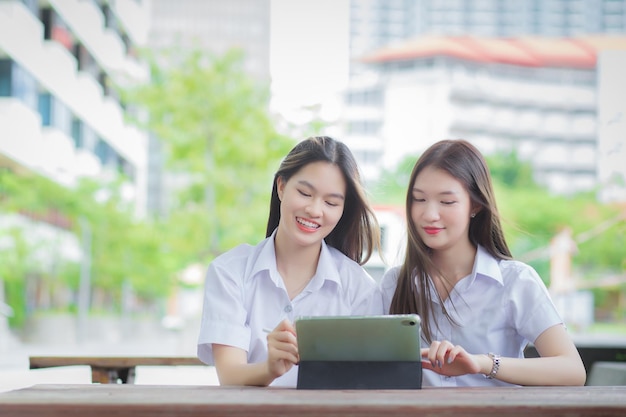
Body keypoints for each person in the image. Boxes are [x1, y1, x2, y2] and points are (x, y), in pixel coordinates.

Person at [379, 139, 586, 387]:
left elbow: (572, 370)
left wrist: (483, 363)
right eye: (419, 199)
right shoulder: (395, 283)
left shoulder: (515, 281)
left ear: (475, 205)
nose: (429, 215)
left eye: (447, 201)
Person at [197, 136, 381, 387]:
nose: (315, 210)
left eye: (331, 202)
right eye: (305, 193)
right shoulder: (230, 272)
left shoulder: (359, 287)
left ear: (342, 210)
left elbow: (366, 381)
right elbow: (230, 376)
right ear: (281, 187)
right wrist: (269, 369)